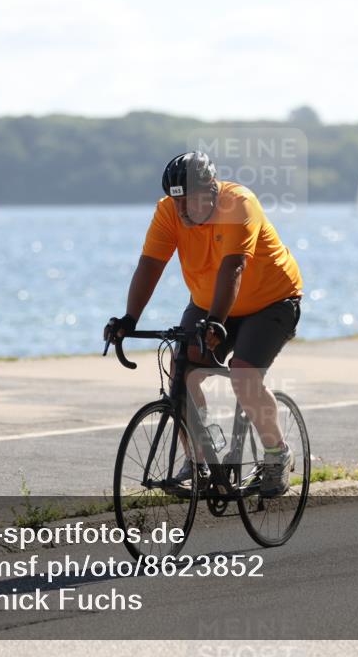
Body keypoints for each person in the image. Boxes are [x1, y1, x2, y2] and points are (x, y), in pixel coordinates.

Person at [103, 151, 303, 497]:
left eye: (190, 201)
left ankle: (276, 454)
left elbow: (234, 268)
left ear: (212, 190)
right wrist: (129, 318)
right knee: (181, 371)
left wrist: (215, 324)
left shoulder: (238, 203)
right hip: (209, 301)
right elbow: (150, 264)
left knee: (244, 375)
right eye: (176, 200)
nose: (182, 211)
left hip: (272, 300)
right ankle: (198, 457)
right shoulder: (168, 211)